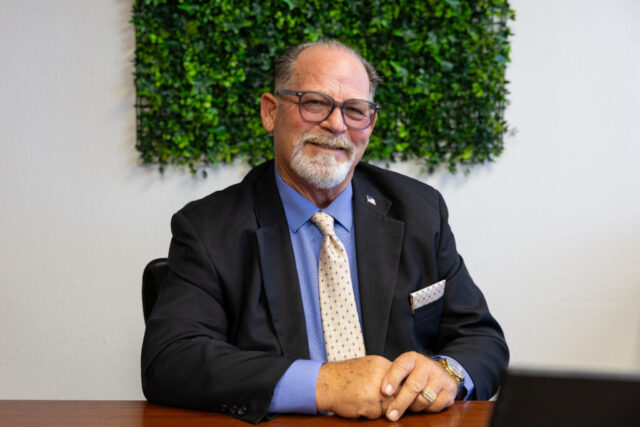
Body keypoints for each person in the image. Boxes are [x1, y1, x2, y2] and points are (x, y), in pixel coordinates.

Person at [141, 39, 508, 424]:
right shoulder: (209, 228)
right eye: (314, 103)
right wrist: (324, 384)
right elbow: (171, 359)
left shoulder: (419, 210)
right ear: (270, 112)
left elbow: (482, 339)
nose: (336, 124)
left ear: (370, 125)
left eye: (355, 110)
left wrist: (447, 373)